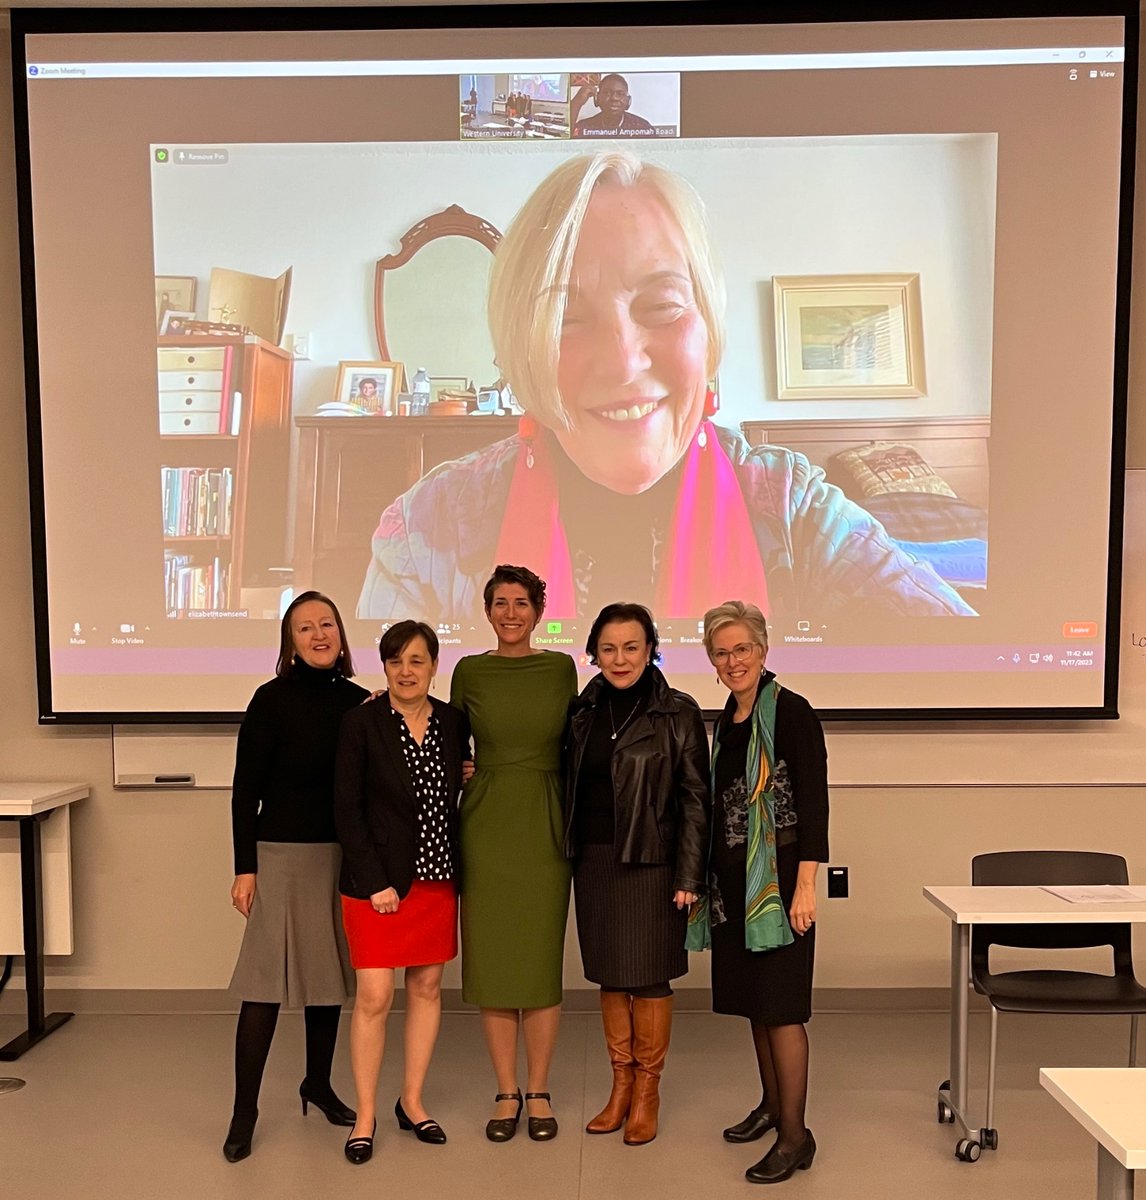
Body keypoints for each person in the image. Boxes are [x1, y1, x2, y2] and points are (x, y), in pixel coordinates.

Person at [358, 149, 976, 624]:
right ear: (521, 347)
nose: (624, 362)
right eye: (566, 317)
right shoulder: (426, 530)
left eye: (661, 306)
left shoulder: (795, 510)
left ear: (709, 330)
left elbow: (968, 672)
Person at [688, 600, 829, 1185]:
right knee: (756, 1005)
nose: (732, 660)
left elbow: (815, 809)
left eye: (741, 648)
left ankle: (796, 1137)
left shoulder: (791, 712)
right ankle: (771, 1106)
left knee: (783, 1010)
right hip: (733, 890)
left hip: (778, 887)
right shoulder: (728, 717)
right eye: (721, 653)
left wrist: (805, 889)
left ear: (763, 650)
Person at [224, 590, 367, 1163]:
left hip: (340, 858)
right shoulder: (270, 700)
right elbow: (244, 793)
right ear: (289, 641)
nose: (318, 635)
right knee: (263, 988)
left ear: (340, 633)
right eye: (304, 627)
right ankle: (244, 1112)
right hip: (279, 855)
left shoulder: (362, 704)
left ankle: (317, 1084)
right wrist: (244, 867)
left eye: (326, 624)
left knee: (326, 979)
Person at [564, 602, 710, 1144]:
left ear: (651, 649)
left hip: (654, 862)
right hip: (595, 859)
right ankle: (619, 1086)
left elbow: (697, 799)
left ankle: (647, 1091)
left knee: (649, 977)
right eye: (608, 648)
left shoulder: (677, 711)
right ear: (593, 653)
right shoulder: (582, 709)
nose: (620, 658)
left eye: (631, 646)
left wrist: (689, 875)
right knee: (609, 973)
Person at [333, 621, 471, 1165]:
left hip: (436, 879)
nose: (406, 671)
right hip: (377, 885)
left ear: (434, 665)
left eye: (417, 660)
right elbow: (347, 809)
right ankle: (365, 1114)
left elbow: (460, 785)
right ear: (384, 667)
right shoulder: (361, 723)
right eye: (395, 661)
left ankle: (411, 1101)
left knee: (428, 988)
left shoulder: (454, 722)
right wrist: (376, 883)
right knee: (373, 997)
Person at [449, 564, 578, 1142]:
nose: (510, 612)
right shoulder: (468, 671)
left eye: (521, 602)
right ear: (487, 609)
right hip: (487, 820)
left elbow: (577, 741)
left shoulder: (562, 667)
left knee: (539, 960)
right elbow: (448, 740)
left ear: (539, 611)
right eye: (500, 602)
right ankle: (506, 1090)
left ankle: (541, 1089)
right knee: (495, 961)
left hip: (547, 821)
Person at [572, 74, 654, 135]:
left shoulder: (642, 126)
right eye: (607, 93)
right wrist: (577, 102)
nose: (614, 98)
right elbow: (562, 135)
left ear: (628, 100)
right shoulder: (585, 126)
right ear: (597, 98)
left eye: (620, 94)